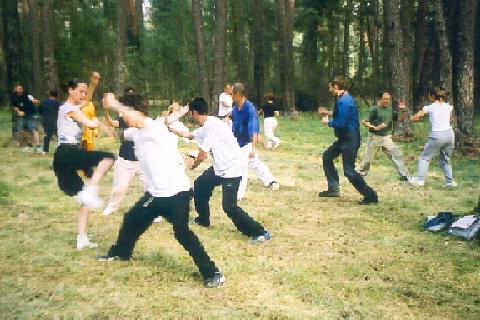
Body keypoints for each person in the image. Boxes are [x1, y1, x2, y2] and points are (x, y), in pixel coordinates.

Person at [98, 95, 225, 289]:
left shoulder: (154, 127)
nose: (124, 117)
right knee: (132, 219)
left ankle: (213, 273)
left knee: (182, 233)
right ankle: (121, 252)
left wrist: (115, 104)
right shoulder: (137, 131)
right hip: (155, 195)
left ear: (138, 112)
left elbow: (142, 122)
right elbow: (121, 134)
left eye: (126, 113)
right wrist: (104, 125)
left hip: (177, 194)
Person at [169, 97, 272, 244]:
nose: (191, 116)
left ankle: (261, 232)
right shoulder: (208, 124)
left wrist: (193, 165)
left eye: (191, 113)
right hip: (219, 168)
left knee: (229, 207)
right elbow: (188, 135)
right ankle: (203, 219)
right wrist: (169, 128)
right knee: (200, 185)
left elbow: (203, 154)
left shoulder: (212, 126)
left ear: (195, 112)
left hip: (232, 169)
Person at [53, 79, 115, 250]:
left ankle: (82, 239)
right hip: (68, 153)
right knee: (108, 157)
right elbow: (89, 123)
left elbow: (86, 102)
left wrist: (93, 84)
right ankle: (92, 190)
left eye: (85, 91)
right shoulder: (70, 110)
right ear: (70, 90)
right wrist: (98, 122)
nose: (84, 95)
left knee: (84, 200)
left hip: (63, 158)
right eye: (81, 91)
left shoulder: (71, 107)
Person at [318, 76, 378, 204]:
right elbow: (340, 114)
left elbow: (341, 122)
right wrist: (327, 113)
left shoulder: (345, 101)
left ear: (336, 87)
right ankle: (333, 189)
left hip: (350, 139)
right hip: (344, 138)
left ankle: (371, 196)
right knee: (327, 156)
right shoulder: (343, 98)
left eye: (330, 87)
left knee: (349, 171)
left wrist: (327, 123)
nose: (329, 90)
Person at [231, 83, 279, 201]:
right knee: (254, 163)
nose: (230, 95)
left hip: (247, 143)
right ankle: (271, 180)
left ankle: (239, 195)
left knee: (242, 167)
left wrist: (253, 148)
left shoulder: (250, 108)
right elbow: (235, 125)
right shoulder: (236, 108)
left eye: (232, 93)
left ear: (237, 94)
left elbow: (254, 129)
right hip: (238, 141)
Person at [102, 92, 147, 216]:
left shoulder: (145, 120)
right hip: (126, 160)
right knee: (119, 188)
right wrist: (106, 111)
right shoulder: (124, 118)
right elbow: (114, 126)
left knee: (151, 187)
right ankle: (112, 207)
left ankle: (154, 211)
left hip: (143, 160)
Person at [408, 88, 456, 187]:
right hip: (449, 134)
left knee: (424, 157)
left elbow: (416, 117)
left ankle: (420, 181)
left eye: (429, 95)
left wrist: (410, 117)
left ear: (433, 96)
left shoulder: (429, 107)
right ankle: (450, 182)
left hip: (437, 135)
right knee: (446, 159)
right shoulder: (449, 107)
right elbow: (448, 119)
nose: (428, 97)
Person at [358, 91, 410, 180]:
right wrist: (375, 127)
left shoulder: (390, 110)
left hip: (387, 138)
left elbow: (401, 119)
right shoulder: (374, 109)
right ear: (380, 99)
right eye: (385, 99)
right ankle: (360, 174)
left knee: (397, 155)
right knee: (368, 159)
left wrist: (404, 110)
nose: (387, 101)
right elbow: (364, 122)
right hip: (375, 137)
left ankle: (404, 175)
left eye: (388, 99)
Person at [11, 84, 41, 152]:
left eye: (21, 88)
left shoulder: (27, 95)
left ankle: (39, 147)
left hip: (31, 114)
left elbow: (35, 101)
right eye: (18, 88)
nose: (20, 90)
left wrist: (36, 101)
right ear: (16, 90)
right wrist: (18, 111)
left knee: (34, 129)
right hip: (23, 115)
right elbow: (14, 106)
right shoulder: (14, 97)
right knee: (25, 130)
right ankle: (29, 146)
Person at [81, 72, 101, 152]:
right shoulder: (76, 104)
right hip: (80, 138)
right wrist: (92, 85)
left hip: (89, 136)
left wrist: (96, 131)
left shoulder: (91, 104)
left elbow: (93, 117)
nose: (84, 95)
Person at [39, 90, 61, 154]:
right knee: (59, 135)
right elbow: (60, 111)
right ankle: (60, 149)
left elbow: (40, 111)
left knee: (47, 136)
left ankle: (45, 150)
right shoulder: (57, 103)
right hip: (55, 121)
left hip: (46, 120)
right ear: (56, 96)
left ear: (49, 95)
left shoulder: (44, 102)